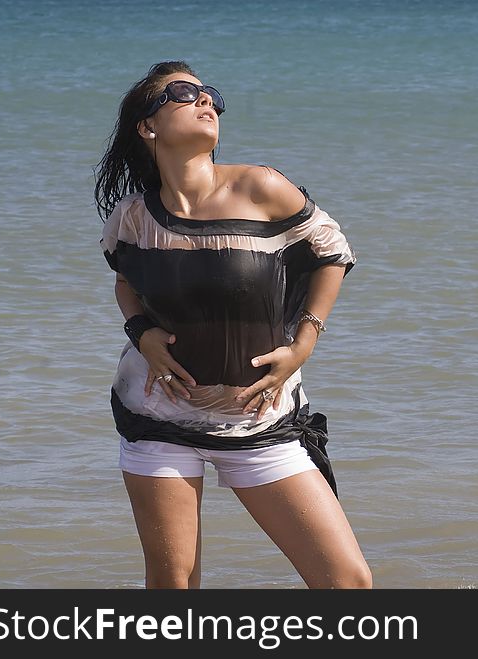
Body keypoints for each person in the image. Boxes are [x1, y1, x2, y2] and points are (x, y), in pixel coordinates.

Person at [94, 60, 372, 589]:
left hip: (257, 421)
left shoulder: (261, 187)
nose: (207, 102)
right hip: (156, 414)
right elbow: (125, 281)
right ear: (146, 126)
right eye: (183, 93)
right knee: (173, 585)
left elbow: (333, 252)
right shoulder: (132, 217)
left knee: (346, 582)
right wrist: (142, 334)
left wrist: (304, 342)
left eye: (210, 95)